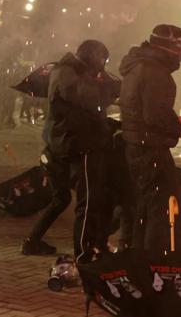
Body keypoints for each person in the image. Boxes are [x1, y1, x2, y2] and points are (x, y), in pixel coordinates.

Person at [21, 40, 120, 262]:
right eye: (102, 59)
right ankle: (85, 253)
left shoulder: (69, 72)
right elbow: (88, 100)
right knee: (89, 201)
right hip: (77, 146)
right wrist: (111, 91)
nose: (103, 65)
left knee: (63, 198)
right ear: (92, 56)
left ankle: (34, 240)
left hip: (65, 144)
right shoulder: (67, 73)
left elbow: (80, 109)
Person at [118, 24, 181, 261]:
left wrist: (177, 122)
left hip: (137, 145)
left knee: (144, 205)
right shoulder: (155, 72)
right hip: (150, 149)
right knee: (160, 208)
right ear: (167, 46)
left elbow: (147, 108)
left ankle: (138, 258)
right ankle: (155, 263)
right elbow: (154, 115)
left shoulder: (140, 66)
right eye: (180, 45)